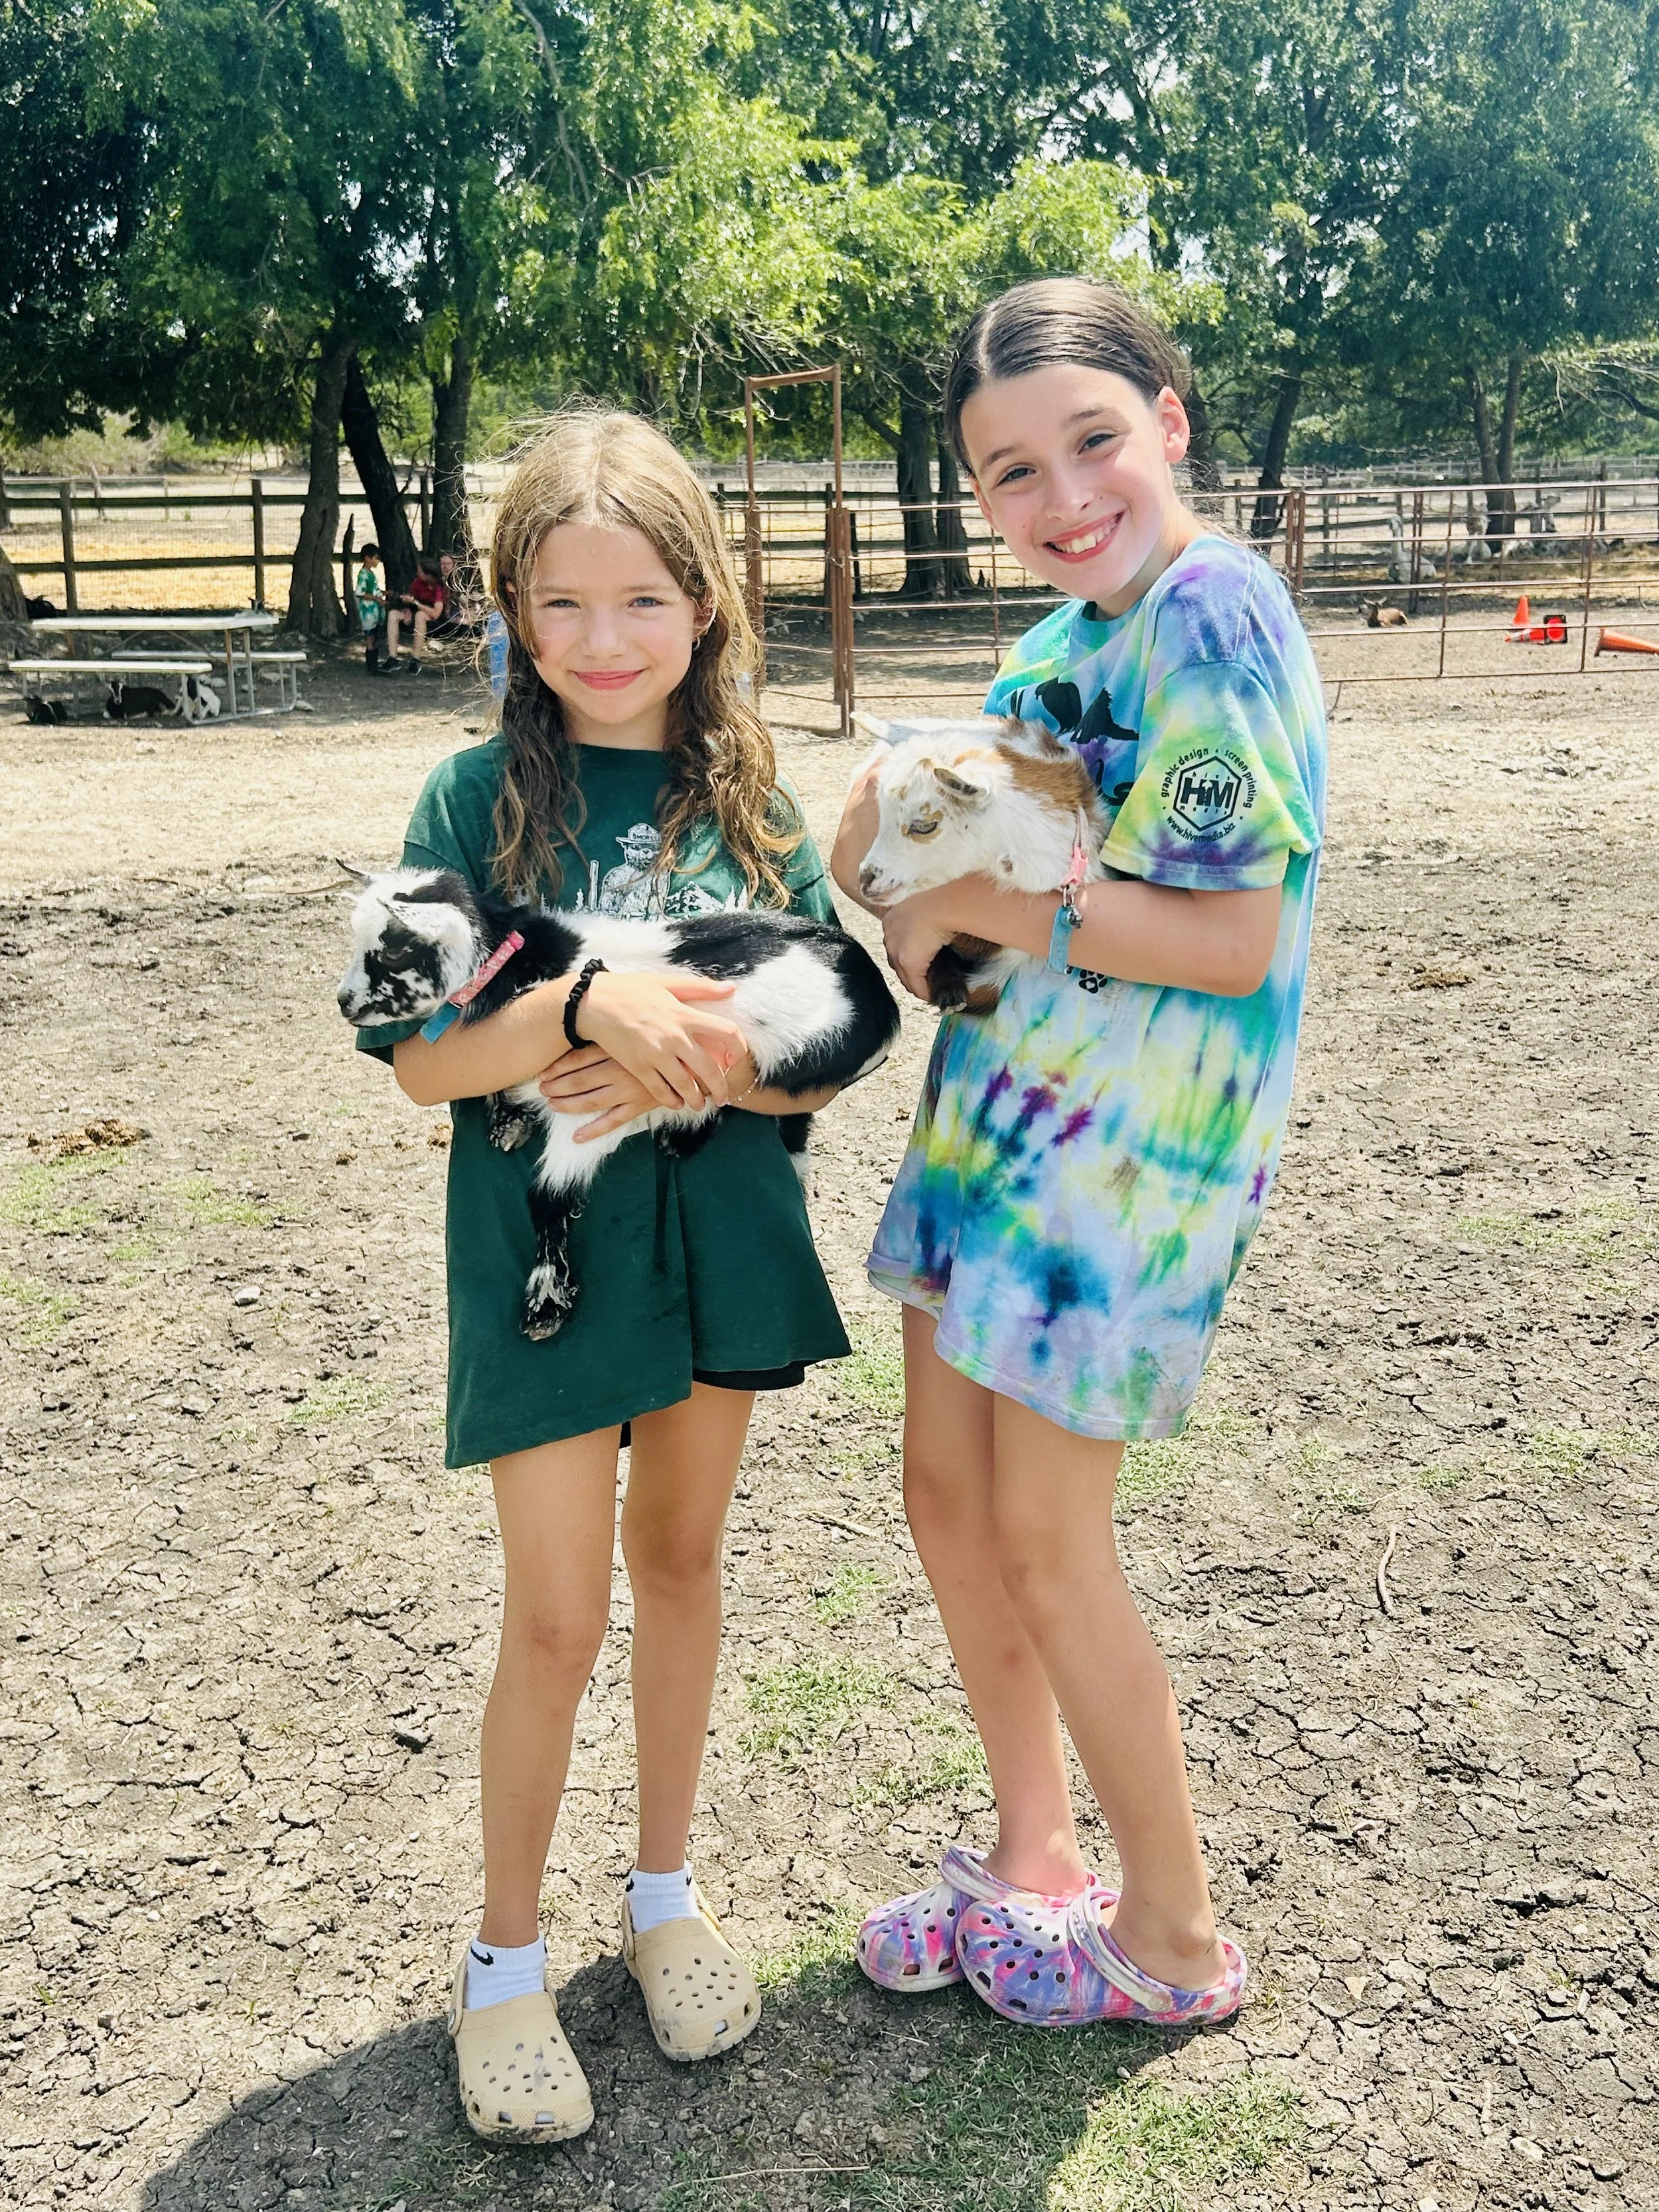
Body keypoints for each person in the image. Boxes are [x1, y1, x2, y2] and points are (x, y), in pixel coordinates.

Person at [352, 410, 854, 2140]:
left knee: (683, 1559)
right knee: (558, 1612)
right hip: (540, 1253)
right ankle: (502, 1965)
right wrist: (578, 1007)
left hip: (714, 1240)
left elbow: (819, 1040)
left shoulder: (750, 794)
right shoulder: (462, 797)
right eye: (559, 603)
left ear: (701, 604)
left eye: (639, 597)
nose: (601, 638)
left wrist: (717, 1055)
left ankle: (660, 1895)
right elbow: (412, 1053)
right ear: (509, 609)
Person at [831, 277, 1326, 2028]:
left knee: (1051, 1538)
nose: (1058, 499)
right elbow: (941, 915)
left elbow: (1221, 942)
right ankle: (1034, 1857)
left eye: (1090, 443)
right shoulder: (1048, 652)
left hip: (1125, 1168)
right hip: (991, 1124)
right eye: (1008, 472)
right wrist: (915, 907)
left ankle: (1174, 1937)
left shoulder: (1211, 614)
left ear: (1167, 421)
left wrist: (984, 889)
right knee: (946, 1502)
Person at [386, 552, 451, 673]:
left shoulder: (439, 587)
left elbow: (436, 613)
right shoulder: (417, 583)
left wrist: (416, 603)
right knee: (393, 614)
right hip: (415, 614)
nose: (418, 573)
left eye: (420, 571)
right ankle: (392, 657)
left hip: (435, 620)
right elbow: (410, 599)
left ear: (428, 575)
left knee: (420, 615)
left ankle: (416, 660)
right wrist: (407, 609)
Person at [354, 542, 388, 671]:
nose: (377, 561)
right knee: (370, 636)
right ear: (368, 558)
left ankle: (373, 663)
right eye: (376, 558)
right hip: (367, 611)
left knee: (373, 635)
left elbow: (374, 590)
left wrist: (383, 593)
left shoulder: (370, 574)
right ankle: (372, 666)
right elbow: (361, 593)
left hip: (372, 611)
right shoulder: (363, 575)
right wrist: (377, 599)